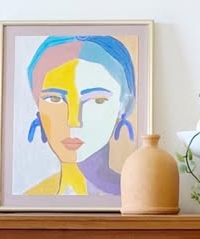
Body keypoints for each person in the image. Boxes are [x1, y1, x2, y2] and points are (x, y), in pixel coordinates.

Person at [24, 35, 136, 196]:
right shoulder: (29, 198)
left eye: (97, 100)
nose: (74, 121)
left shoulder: (135, 196)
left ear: (123, 107)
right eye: (55, 99)